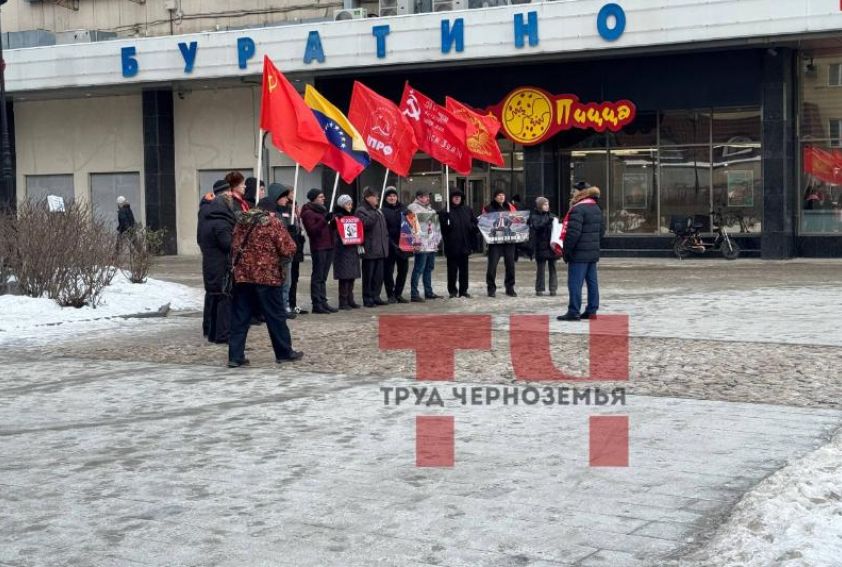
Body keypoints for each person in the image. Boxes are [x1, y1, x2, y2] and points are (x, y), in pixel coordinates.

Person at [228, 196, 303, 367]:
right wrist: (291, 236)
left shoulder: (241, 221)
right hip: (267, 277)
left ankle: (235, 356)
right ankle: (284, 353)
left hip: (243, 277)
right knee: (275, 316)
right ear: (271, 210)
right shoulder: (272, 222)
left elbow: (233, 246)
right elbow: (288, 248)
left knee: (240, 317)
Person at [557, 184, 605, 321]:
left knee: (575, 283)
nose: (572, 193)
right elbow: (601, 231)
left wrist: (566, 251)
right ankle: (592, 310)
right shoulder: (596, 207)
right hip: (592, 252)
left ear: (581, 193)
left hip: (578, 253)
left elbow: (573, 233)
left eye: (574, 191)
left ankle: (574, 311)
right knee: (592, 282)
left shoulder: (578, 209)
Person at [197, 179, 236, 343]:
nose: (231, 196)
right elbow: (228, 245)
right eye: (229, 193)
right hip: (221, 265)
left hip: (210, 263)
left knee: (214, 297)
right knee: (223, 298)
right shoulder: (221, 222)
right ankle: (222, 334)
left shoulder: (206, 217)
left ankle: (212, 332)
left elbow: (200, 240)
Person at [300, 187, 337, 314]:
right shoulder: (308, 213)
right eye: (321, 197)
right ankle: (316, 303)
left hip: (328, 245)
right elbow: (312, 231)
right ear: (314, 198)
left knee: (323, 277)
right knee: (318, 276)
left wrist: (333, 222)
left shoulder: (322, 210)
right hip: (319, 247)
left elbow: (328, 228)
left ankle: (323, 301)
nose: (323, 199)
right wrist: (324, 220)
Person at [439, 189, 477, 298]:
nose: (457, 198)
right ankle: (452, 291)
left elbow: (475, 223)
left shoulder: (467, 209)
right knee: (452, 271)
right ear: (451, 198)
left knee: (464, 271)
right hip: (452, 246)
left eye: (459, 196)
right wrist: (445, 220)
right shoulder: (445, 211)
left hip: (465, 245)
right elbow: (443, 229)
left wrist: (471, 227)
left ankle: (463, 291)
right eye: (455, 196)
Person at [355, 187, 390, 307]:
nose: (377, 198)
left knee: (378, 276)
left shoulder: (377, 210)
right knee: (369, 276)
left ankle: (376, 296)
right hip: (370, 248)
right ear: (367, 197)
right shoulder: (361, 210)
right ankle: (367, 298)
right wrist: (374, 214)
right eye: (375, 196)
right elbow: (365, 224)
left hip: (380, 248)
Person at [267, 182, 297, 318]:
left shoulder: (287, 211)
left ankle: (285, 306)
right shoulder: (273, 213)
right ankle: (280, 308)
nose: (287, 199)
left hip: (287, 254)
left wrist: (294, 232)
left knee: (287, 283)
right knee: (279, 283)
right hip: (277, 255)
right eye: (284, 197)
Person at [483, 189, 518, 297]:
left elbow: (516, 221)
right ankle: (491, 288)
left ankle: (510, 288)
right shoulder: (488, 208)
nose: (501, 197)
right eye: (499, 195)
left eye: (503, 195)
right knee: (492, 266)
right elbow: (484, 223)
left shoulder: (511, 207)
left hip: (508, 241)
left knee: (510, 265)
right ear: (495, 197)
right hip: (495, 242)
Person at [407, 190, 441, 302]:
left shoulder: (430, 209)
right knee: (419, 268)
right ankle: (414, 293)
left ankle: (428, 292)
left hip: (431, 243)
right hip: (421, 243)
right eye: (425, 197)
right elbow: (412, 224)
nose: (428, 198)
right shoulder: (412, 208)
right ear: (419, 197)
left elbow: (435, 225)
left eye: (428, 197)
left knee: (429, 268)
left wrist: (437, 239)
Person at [332, 194, 362, 310]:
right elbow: (333, 230)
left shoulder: (352, 217)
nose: (350, 206)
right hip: (342, 250)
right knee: (344, 277)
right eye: (347, 204)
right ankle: (343, 301)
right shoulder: (337, 217)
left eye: (351, 204)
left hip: (352, 249)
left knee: (351, 276)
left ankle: (350, 299)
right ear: (342, 205)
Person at [381, 187, 410, 304]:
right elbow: (383, 230)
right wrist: (391, 243)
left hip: (403, 245)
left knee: (403, 271)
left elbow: (412, 225)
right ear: (385, 198)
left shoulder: (404, 209)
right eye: (389, 196)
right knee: (388, 271)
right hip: (389, 245)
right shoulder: (382, 210)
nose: (392, 198)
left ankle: (398, 293)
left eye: (394, 196)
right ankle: (390, 294)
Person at [528, 196, 558, 297]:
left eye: (548, 204)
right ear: (540, 206)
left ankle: (553, 289)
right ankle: (539, 289)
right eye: (545, 204)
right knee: (541, 269)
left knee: (553, 268)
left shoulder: (552, 216)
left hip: (551, 246)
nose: (547, 206)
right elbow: (537, 227)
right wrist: (547, 222)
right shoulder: (534, 216)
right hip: (540, 245)